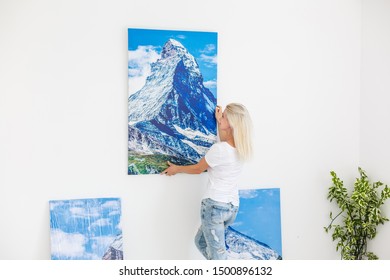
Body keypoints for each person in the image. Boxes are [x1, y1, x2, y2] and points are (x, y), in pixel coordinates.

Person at [161, 103, 253, 260]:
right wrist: (219, 121)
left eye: (224, 116)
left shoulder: (220, 150)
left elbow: (198, 169)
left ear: (231, 124)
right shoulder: (241, 147)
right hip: (232, 208)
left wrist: (177, 169)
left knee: (218, 259)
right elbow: (225, 142)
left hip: (215, 207)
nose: (221, 117)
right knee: (200, 242)